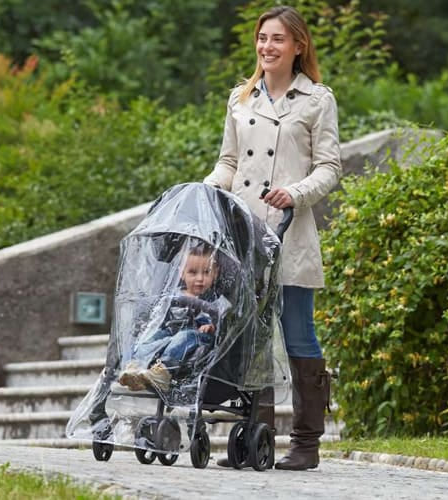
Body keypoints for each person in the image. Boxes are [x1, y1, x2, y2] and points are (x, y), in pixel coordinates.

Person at [204, 5, 341, 470]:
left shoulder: (316, 99)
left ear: (298, 46)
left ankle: (306, 443)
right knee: (245, 337)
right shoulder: (239, 99)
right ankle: (250, 438)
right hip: (242, 235)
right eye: (262, 38)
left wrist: (295, 192)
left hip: (290, 234)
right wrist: (204, 189)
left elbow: (329, 168)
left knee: (298, 333)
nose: (267, 47)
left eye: (278, 39)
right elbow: (228, 162)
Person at [118, 242, 226, 393]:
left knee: (184, 336)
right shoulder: (175, 294)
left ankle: (163, 372)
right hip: (171, 333)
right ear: (182, 273)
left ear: (215, 273)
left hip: (198, 337)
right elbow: (161, 315)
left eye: (206, 272)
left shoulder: (215, 299)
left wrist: (212, 325)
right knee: (153, 337)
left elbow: (223, 319)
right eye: (193, 272)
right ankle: (136, 367)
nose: (200, 278)